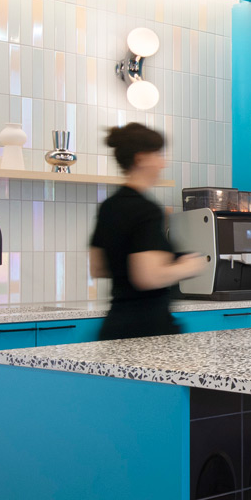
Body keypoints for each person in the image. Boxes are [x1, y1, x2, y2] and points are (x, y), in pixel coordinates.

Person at [89, 123, 207, 340]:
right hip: (147, 332)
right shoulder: (147, 210)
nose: (163, 164)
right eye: (158, 155)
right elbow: (147, 277)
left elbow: (98, 267)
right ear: (141, 158)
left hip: (114, 328)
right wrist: (187, 265)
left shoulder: (109, 206)